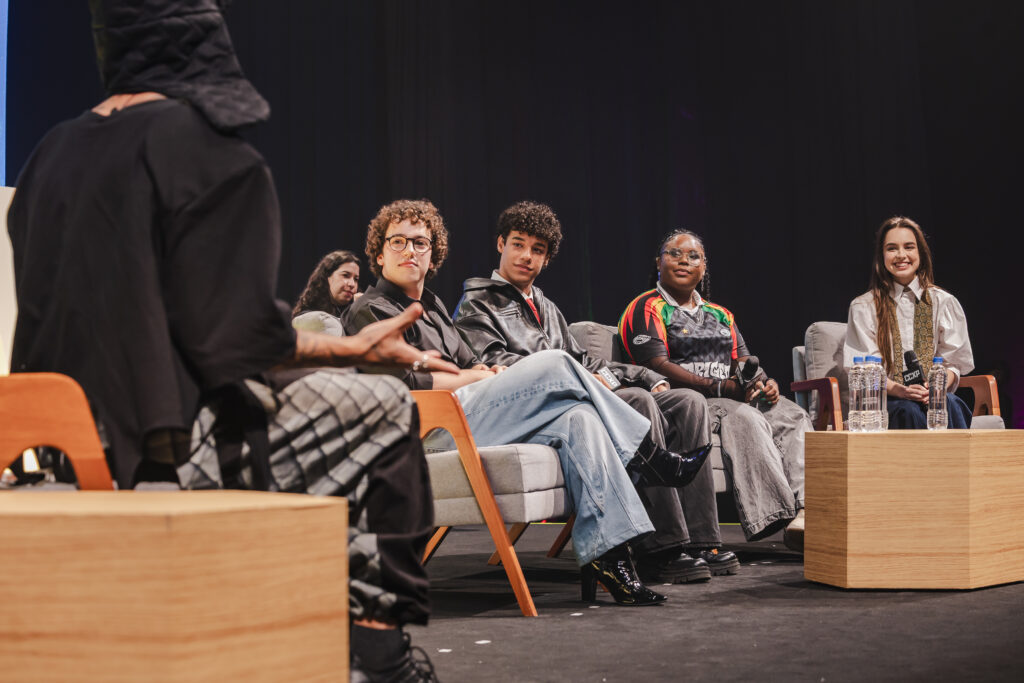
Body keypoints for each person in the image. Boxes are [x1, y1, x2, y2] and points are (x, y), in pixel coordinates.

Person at [6, 2, 452, 680]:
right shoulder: (213, 156)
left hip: (60, 447)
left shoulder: (50, 153)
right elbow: (240, 346)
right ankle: (380, 659)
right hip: (167, 448)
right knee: (386, 412)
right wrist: (354, 350)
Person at [348, 199, 713, 606]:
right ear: (379, 253)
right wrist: (472, 376)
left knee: (580, 418)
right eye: (398, 242)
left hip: (468, 416)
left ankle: (610, 557)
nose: (410, 251)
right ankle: (648, 455)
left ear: (433, 254)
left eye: (420, 243)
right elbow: (402, 384)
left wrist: (477, 373)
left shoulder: (431, 307)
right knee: (555, 363)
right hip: (427, 430)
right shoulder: (370, 309)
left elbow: (473, 364)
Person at [452, 201, 738, 580]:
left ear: (547, 259)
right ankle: (660, 547)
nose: (526, 256)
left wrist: (645, 375)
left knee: (688, 402)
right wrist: (587, 378)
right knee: (637, 401)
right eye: (518, 244)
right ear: (500, 244)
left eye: (538, 250)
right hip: (538, 410)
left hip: (579, 393)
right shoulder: (477, 302)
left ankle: (702, 540)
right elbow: (495, 366)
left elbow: (584, 360)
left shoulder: (547, 307)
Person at [619, 229, 811, 550]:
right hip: (687, 406)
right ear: (658, 263)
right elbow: (655, 366)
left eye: (693, 256)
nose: (684, 261)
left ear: (704, 267)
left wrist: (764, 383)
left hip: (730, 395)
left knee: (793, 414)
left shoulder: (720, 314)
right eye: (675, 254)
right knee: (742, 417)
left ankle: (805, 514)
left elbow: (745, 362)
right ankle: (774, 515)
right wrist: (718, 386)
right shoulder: (646, 307)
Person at [844, 216, 974, 428]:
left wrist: (936, 388)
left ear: (920, 252)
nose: (901, 255)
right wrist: (902, 391)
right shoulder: (864, 306)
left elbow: (953, 363)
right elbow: (866, 369)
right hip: (888, 401)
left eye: (909, 247)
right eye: (892, 248)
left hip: (933, 397)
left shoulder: (943, 302)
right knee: (909, 410)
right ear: (882, 256)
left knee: (950, 403)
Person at [292, 249, 362, 335]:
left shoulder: (354, 312)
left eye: (356, 279)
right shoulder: (310, 317)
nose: (352, 284)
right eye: (345, 275)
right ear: (327, 277)